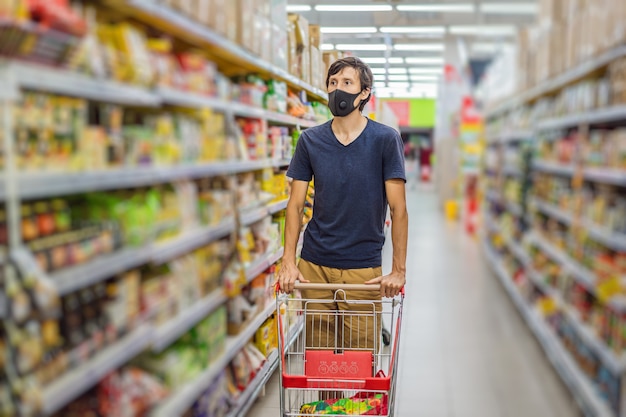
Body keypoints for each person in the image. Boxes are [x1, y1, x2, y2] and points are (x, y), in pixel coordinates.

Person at [277, 56, 408, 354]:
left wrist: (398, 270)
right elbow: (295, 204)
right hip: (314, 266)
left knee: (360, 363)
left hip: (363, 269)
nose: (338, 90)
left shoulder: (385, 140)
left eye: (347, 83)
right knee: (320, 363)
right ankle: (325, 403)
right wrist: (288, 261)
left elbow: (399, 210)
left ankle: (358, 402)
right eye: (333, 83)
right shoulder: (310, 140)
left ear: (364, 93)